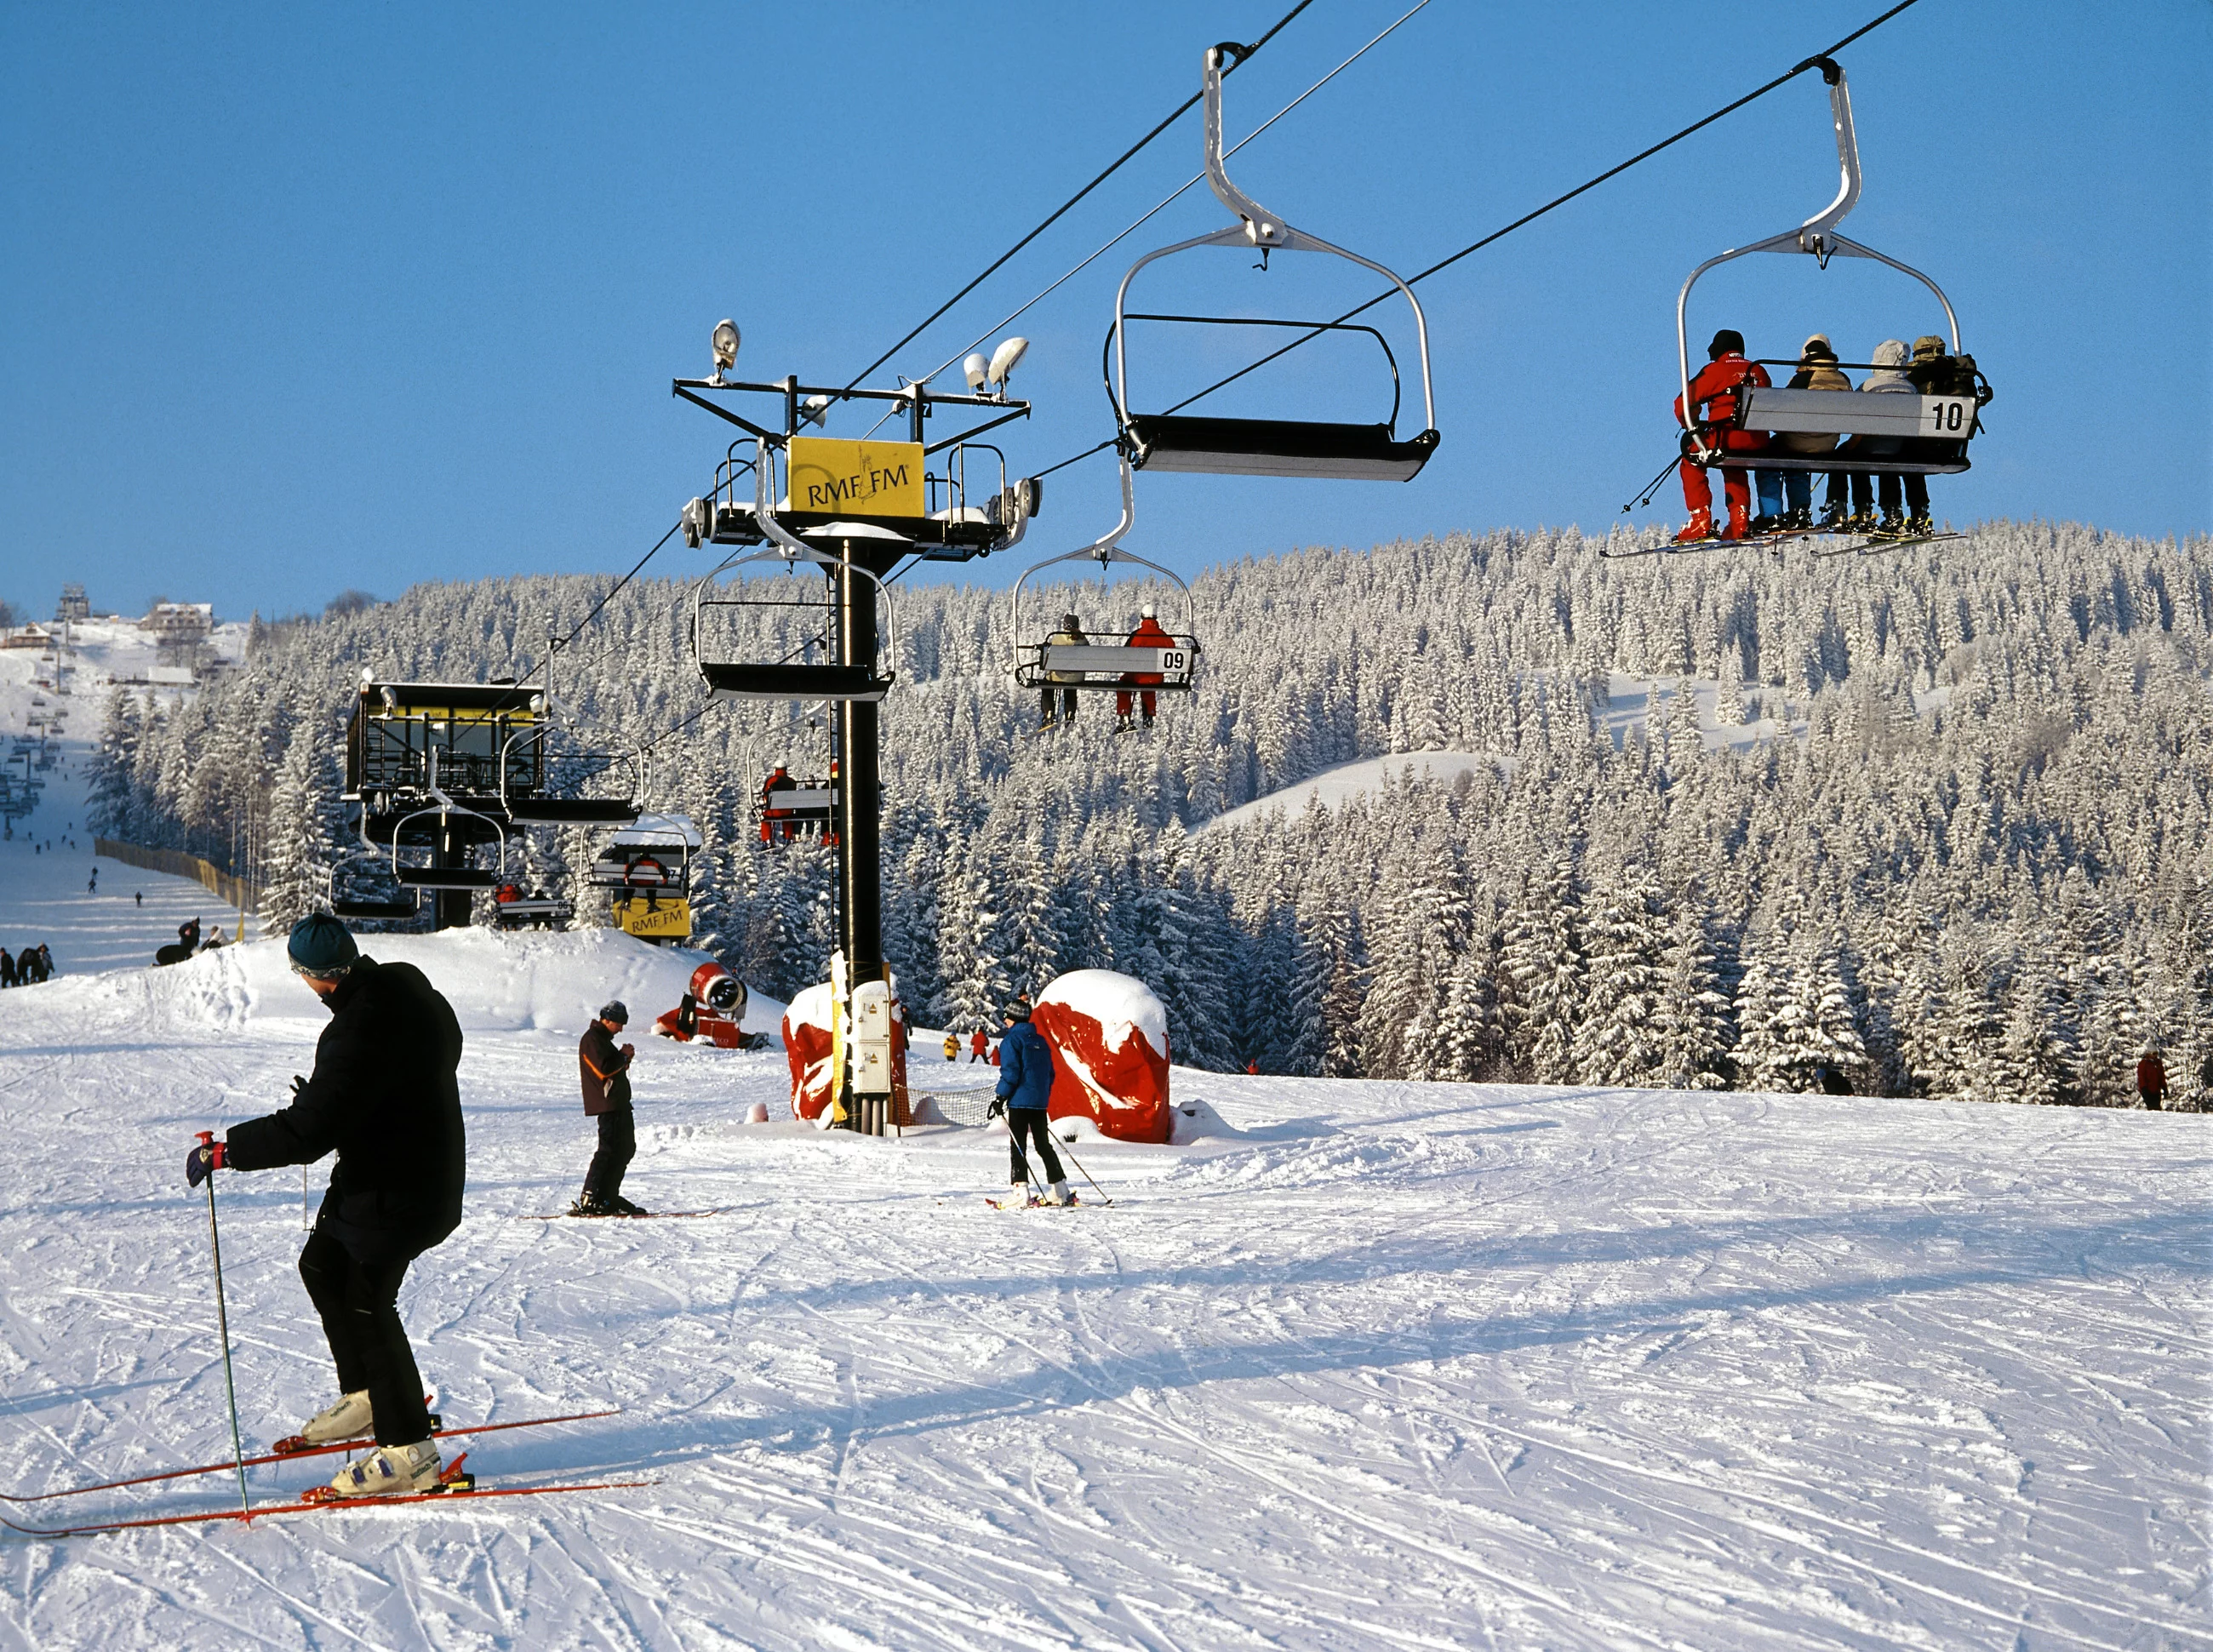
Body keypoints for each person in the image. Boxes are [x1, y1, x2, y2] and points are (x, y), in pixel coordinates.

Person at [185, 913, 465, 1498]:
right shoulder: (409, 987)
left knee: (368, 1302)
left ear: (312, 976)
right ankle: (369, 1395)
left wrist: (228, 1151)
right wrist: (350, 1100)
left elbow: (309, 1132)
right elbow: (427, 1057)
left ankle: (409, 1447)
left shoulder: (353, 1029)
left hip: (400, 1191)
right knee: (321, 1264)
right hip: (393, 1175)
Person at [1672, 329, 1772, 542]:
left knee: (1691, 458)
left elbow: (1682, 404)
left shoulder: (1714, 371)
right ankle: (1740, 520)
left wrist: (1692, 426)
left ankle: (1700, 519)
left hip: (1726, 436)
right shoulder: (1759, 371)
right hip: (1759, 440)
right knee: (1734, 464)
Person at [1832, 339, 1919, 535]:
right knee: (1888, 464)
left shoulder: (1870, 386)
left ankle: (1858, 508)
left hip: (1868, 445)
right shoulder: (1911, 389)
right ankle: (1893, 510)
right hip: (1896, 447)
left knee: (1849, 456)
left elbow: (1854, 417)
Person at [1770, 334, 1853, 532]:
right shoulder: (1843, 379)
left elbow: (1779, 415)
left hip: (1799, 443)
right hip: (1829, 444)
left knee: (1780, 447)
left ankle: (1789, 509)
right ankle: (1831, 507)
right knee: (1801, 445)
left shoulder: (1802, 378)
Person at [994, 997, 1072, 1205]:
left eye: (1007, 1018)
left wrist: (1000, 1096)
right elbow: (1050, 1073)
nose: (1006, 1022)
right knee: (1043, 1145)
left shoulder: (1011, 1041)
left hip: (1019, 1102)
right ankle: (1060, 1189)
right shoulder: (1040, 1040)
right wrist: (1041, 1093)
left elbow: (1011, 1072)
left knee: (1018, 1144)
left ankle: (1021, 1192)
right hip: (1039, 1101)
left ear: (1013, 1019)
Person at [576, 1001, 643, 1215]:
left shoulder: (602, 1040)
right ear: (606, 1019)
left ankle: (607, 1195)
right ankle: (590, 1197)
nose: (621, 1028)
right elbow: (603, 1069)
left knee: (625, 1148)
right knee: (608, 1150)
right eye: (618, 1023)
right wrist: (623, 1056)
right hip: (608, 1105)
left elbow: (611, 1066)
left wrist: (624, 1059)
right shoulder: (592, 1040)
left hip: (618, 1104)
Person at [1117, 605, 1174, 730]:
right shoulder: (1164, 636)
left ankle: (1125, 718)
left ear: (1142, 617)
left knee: (1123, 684)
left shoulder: (1137, 635)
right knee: (1149, 684)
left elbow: (1126, 655)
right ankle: (1148, 718)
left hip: (1138, 676)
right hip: (1157, 678)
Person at [1041, 613, 1086, 731]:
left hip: (1059, 676)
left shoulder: (1058, 637)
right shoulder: (1083, 639)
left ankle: (1049, 713)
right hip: (1078, 677)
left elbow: (1049, 657)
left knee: (1046, 684)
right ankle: (1070, 713)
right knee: (1071, 686)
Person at [760, 763, 798, 843]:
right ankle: (788, 838)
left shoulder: (771, 780)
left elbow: (765, 795)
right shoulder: (792, 781)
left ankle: (767, 840)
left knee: (765, 819)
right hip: (788, 811)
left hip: (774, 812)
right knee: (788, 818)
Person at [2137, 1047, 2168, 1112]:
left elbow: (2162, 1076)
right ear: (2149, 1054)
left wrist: (2164, 1087)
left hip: (2157, 1090)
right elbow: (2141, 1077)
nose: (2156, 1056)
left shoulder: (2158, 1063)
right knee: (2152, 1109)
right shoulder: (2144, 1063)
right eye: (2154, 1054)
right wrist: (2144, 1088)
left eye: (2157, 1054)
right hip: (2148, 1090)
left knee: (2157, 1109)